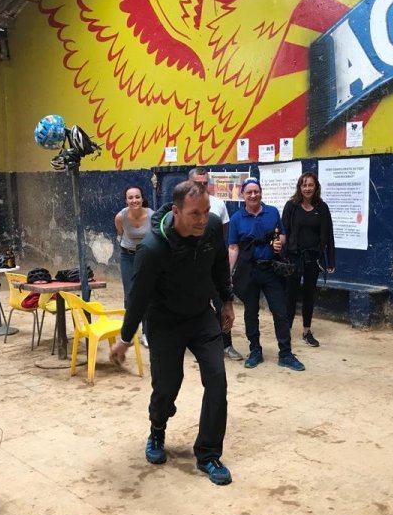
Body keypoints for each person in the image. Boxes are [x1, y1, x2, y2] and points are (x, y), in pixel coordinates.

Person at [109, 180, 235, 485]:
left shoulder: (211, 227)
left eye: (206, 211)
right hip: (165, 322)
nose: (203, 219)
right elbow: (138, 297)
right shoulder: (152, 248)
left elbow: (220, 264)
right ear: (176, 212)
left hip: (200, 316)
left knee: (217, 380)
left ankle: (208, 454)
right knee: (167, 386)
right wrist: (125, 339)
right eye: (195, 214)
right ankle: (157, 430)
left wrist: (227, 301)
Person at [227, 178, 305, 372]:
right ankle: (255, 351)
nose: (253, 195)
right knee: (250, 313)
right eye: (249, 192)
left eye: (256, 191)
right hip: (249, 271)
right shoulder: (236, 218)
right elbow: (233, 247)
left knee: (280, 312)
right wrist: (228, 274)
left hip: (271, 270)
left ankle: (285, 354)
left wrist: (279, 243)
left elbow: (282, 235)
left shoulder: (272, 212)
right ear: (243, 195)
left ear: (261, 192)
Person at [188, 167, 243, 361]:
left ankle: (226, 345)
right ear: (189, 184)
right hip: (192, 267)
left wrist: (220, 262)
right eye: (198, 183)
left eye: (205, 183)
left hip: (214, 265)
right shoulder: (182, 205)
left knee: (223, 305)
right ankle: (199, 346)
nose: (202, 186)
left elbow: (223, 234)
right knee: (195, 307)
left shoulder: (219, 204)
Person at [282, 171, 336, 347]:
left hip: (313, 258)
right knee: (290, 294)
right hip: (293, 257)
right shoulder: (291, 206)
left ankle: (306, 331)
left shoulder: (322, 208)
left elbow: (329, 235)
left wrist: (331, 260)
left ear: (316, 187)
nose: (307, 188)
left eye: (310, 185)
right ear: (299, 187)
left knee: (309, 295)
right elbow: (284, 232)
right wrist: (281, 256)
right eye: (304, 185)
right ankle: (286, 331)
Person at [115, 185, 153, 347]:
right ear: (126, 200)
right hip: (128, 255)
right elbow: (120, 233)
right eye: (130, 198)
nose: (134, 200)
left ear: (142, 199)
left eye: (137, 197)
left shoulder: (152, 215)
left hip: (147, 257)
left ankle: (146, 333)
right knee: (130, 295)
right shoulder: (120, 217)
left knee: (146, 294)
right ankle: (128, 333)